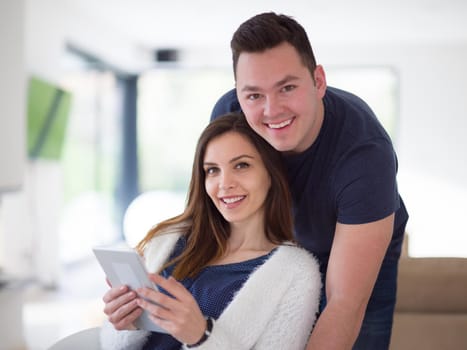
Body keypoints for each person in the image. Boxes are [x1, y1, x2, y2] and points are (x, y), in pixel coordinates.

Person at [210, 12, 409, 350]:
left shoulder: (364, 154)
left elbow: (345, 303)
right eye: (254, 95)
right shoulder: (230, 118)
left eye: (287, 88)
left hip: (353, 246)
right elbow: (209, 220)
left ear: (318, 81)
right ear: (239, 94)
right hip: (281, 244)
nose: (271, 110)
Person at [100, 113, 322, 350]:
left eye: (241, 165)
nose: (225, 184)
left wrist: (201, 336)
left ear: (271, 173)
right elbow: (113, 344)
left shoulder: (296, 273)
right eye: (212, 170)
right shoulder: (167, 241)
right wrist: (125, 324)